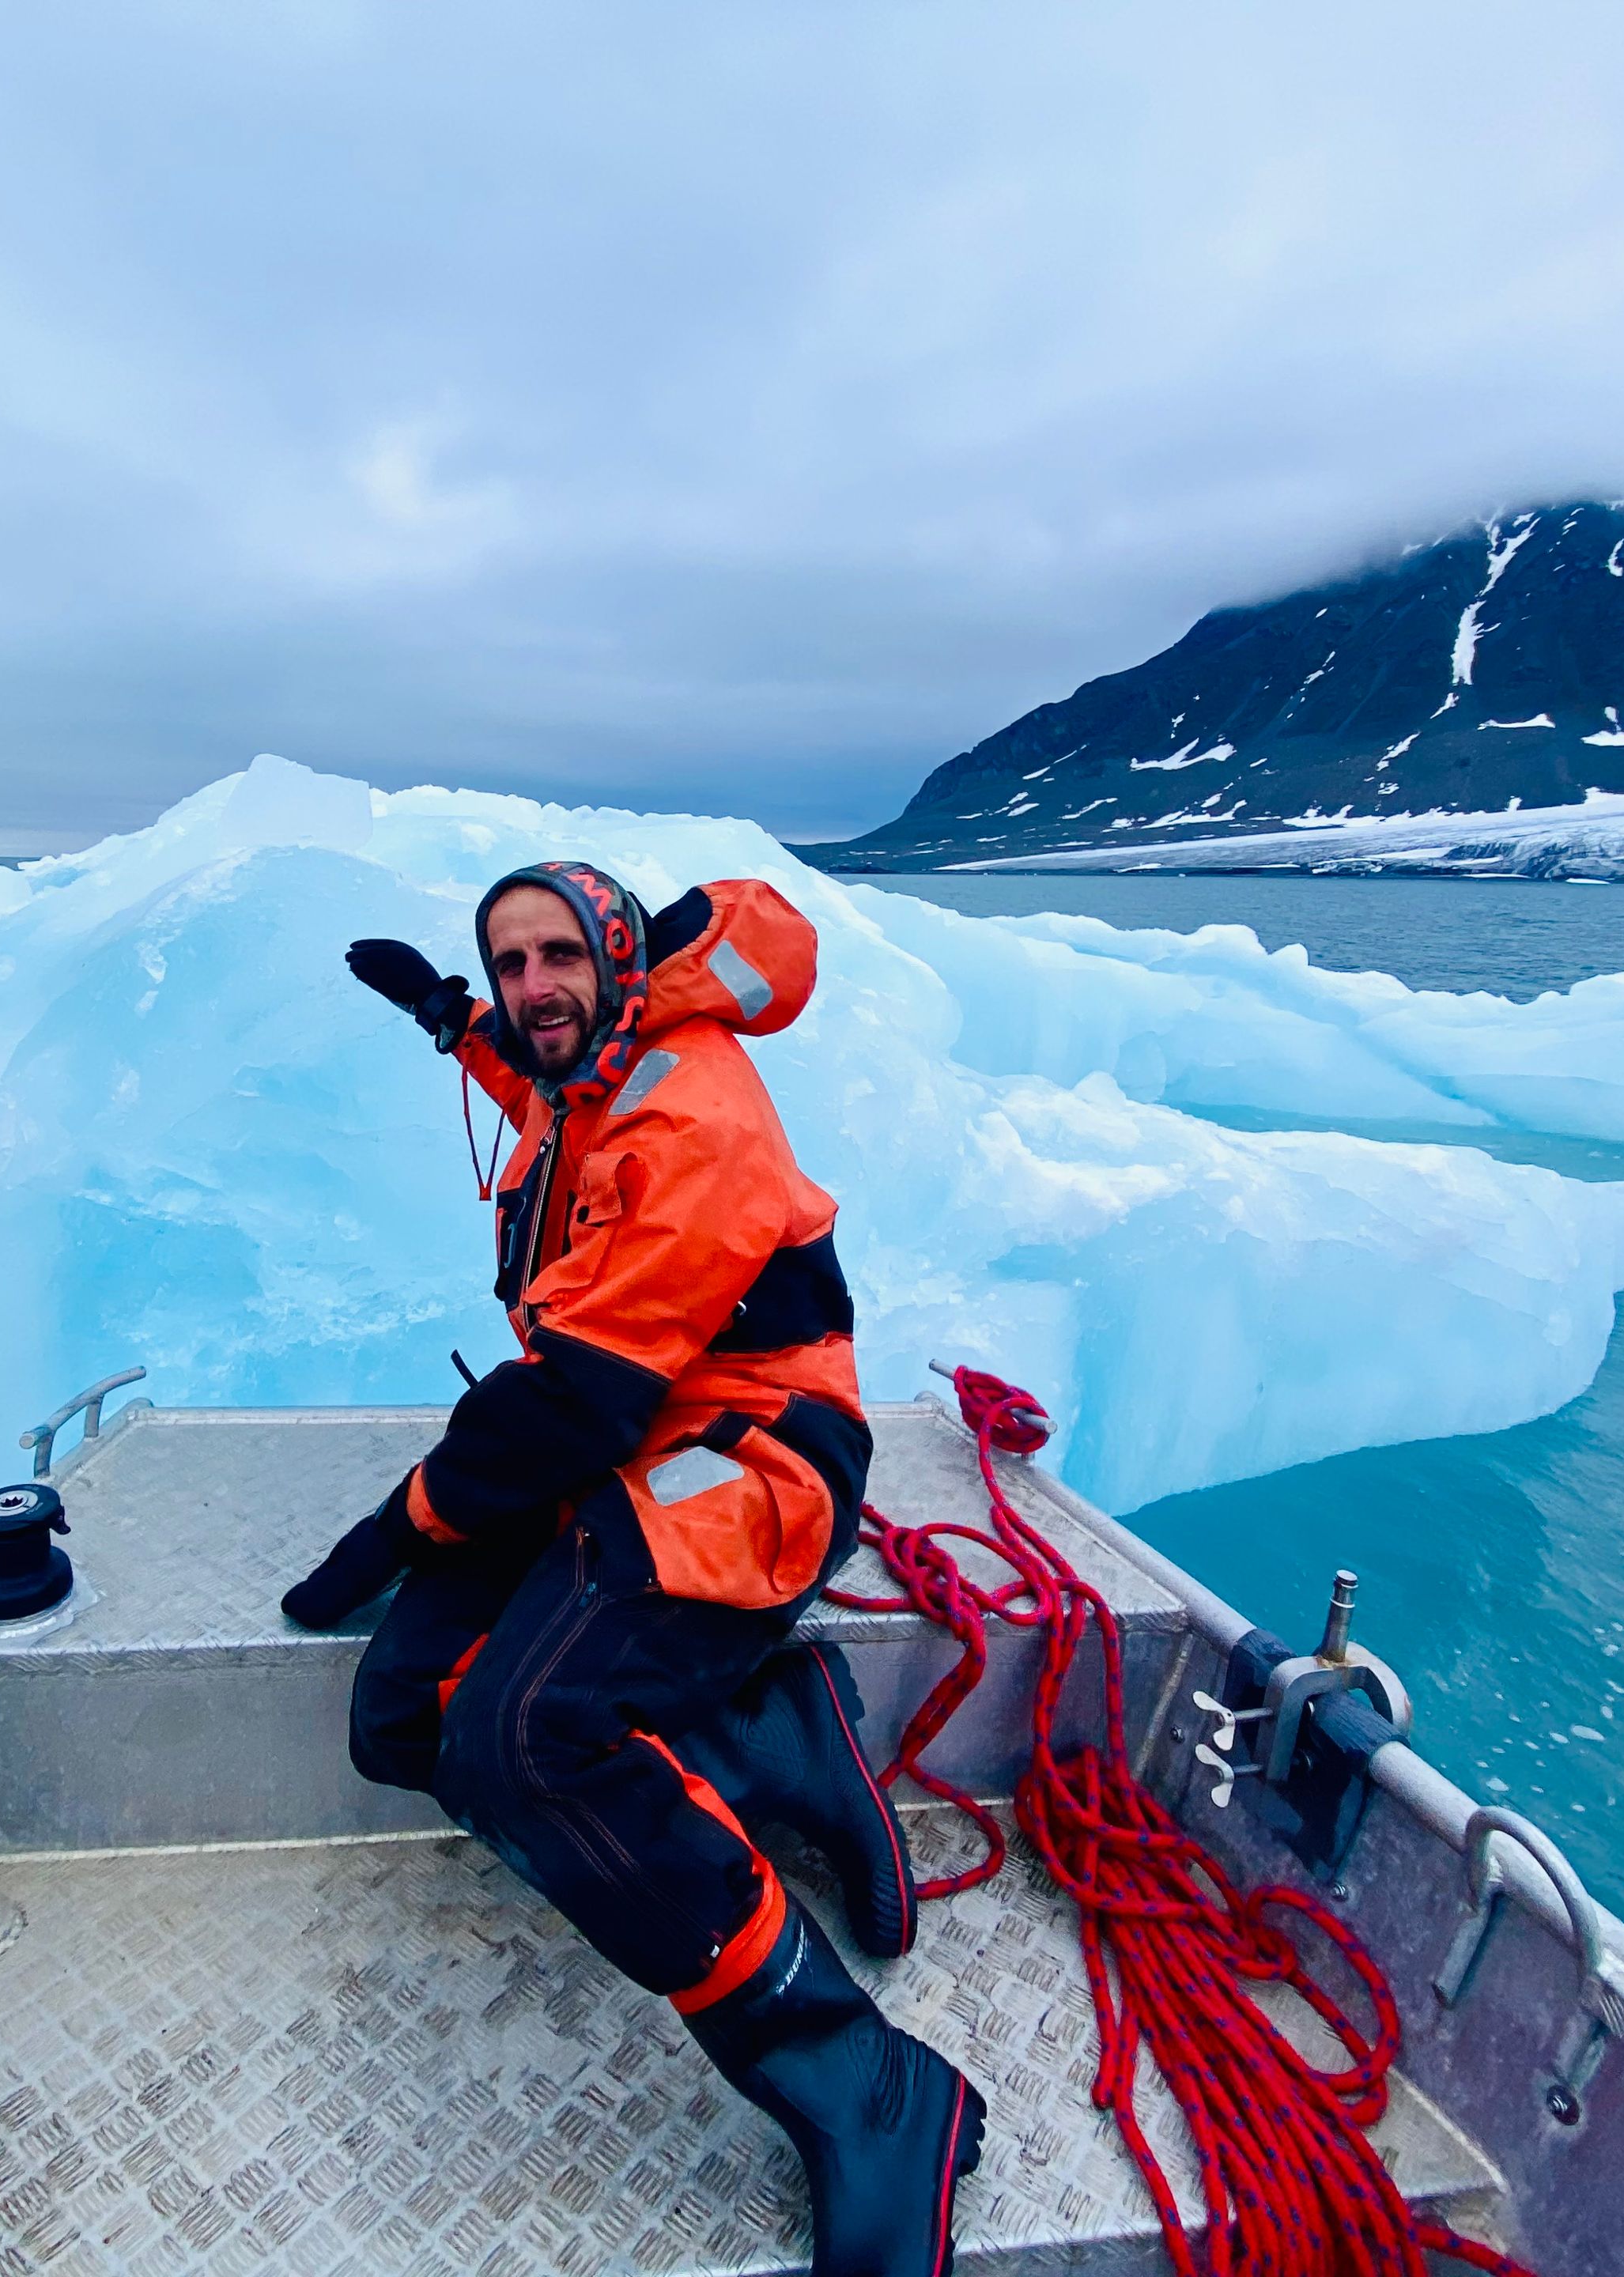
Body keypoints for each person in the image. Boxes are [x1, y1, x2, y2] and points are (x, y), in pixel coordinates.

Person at [281, 860, 984, 2277]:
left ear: (616, 962)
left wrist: (396, 1529)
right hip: (626, 1437)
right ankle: (778, 1737)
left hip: (748, 1455)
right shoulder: (599, 1066)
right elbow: (547, 1095)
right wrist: (447, 1017)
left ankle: (868, 2085)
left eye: (554, 959)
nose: (531, 988)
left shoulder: (691, 1110)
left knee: (527, 1738)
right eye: (508, 960)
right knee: (404, 1721)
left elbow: (567, 1402)